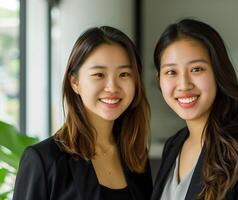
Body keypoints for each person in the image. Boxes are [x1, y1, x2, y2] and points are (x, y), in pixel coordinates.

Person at [13, 26, 152, 200]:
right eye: (99, 74)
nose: (112, 87)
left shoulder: (135, 156)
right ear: (75, 82)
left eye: (124, 74)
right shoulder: (43, 160)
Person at [151, 19, 238, 200]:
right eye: (171, 72)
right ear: (159, 80)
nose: (184, 84)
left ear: (218, 72)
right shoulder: (173, 144)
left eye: (196, 69)